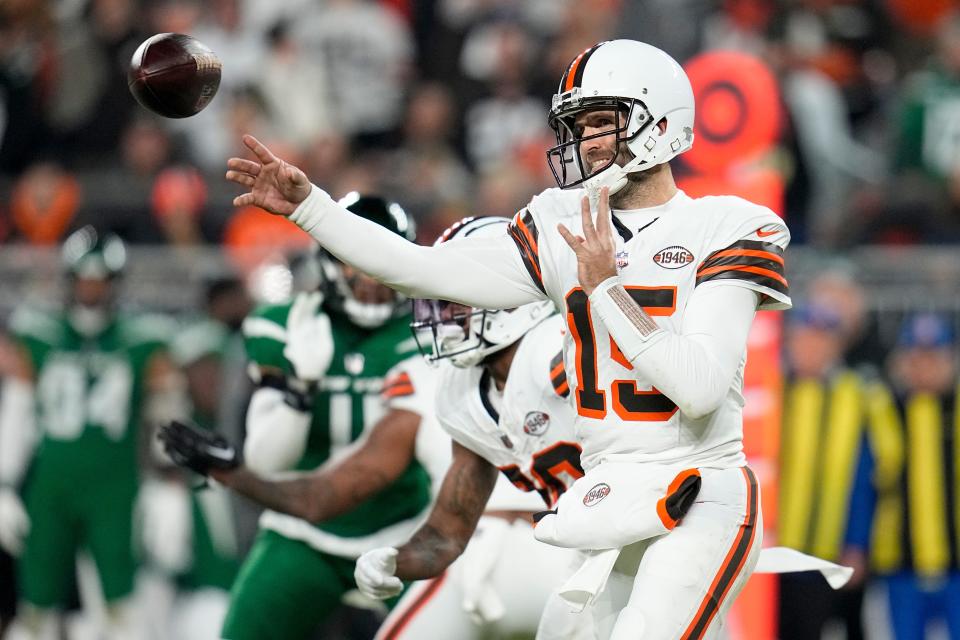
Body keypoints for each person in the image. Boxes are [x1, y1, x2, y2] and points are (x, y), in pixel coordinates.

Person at [225, 39, 792, 638]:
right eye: (578, 127)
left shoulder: (729, 225)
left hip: (699, 496)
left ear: (660, 120)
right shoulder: (558, 224)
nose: (585, 142)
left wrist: (605, 290)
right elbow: (422, 269)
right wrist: (311, 208)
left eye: (602, 122)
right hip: (607, 499)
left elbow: (700, 388)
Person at [178, 194, 443, 640]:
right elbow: (266, 462)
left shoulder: (433, 333)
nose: (371, 276)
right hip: (303, 532)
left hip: (405, 528)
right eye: (360, 258)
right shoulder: (285, 324)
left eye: (384, 258)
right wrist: (299, 389)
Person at [0, 226, 181, 639]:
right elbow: (17, 412)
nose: (91, 289)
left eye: (100, 281)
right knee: (36, 609)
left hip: (113, 488)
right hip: (50, 486)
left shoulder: (144, 340)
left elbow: (166, 417)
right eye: (84, 279)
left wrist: (168, 481)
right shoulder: (37, 332)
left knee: (121, 606)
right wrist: (4, 482)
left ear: (115, 283)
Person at [777, 306, 873, 640]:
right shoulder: (767, 389)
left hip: (821, 550)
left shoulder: (856, 397)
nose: (812, 350)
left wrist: (856, 543)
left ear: (836, 348)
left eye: (823, 342)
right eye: (805, 340)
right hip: (765, 549)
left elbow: (863, 481)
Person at [867, 313, 960, 639]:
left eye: (935, 358)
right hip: (901, 563)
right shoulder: (881, 407)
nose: (925, 367)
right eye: (917, 359)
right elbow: (864, 487)